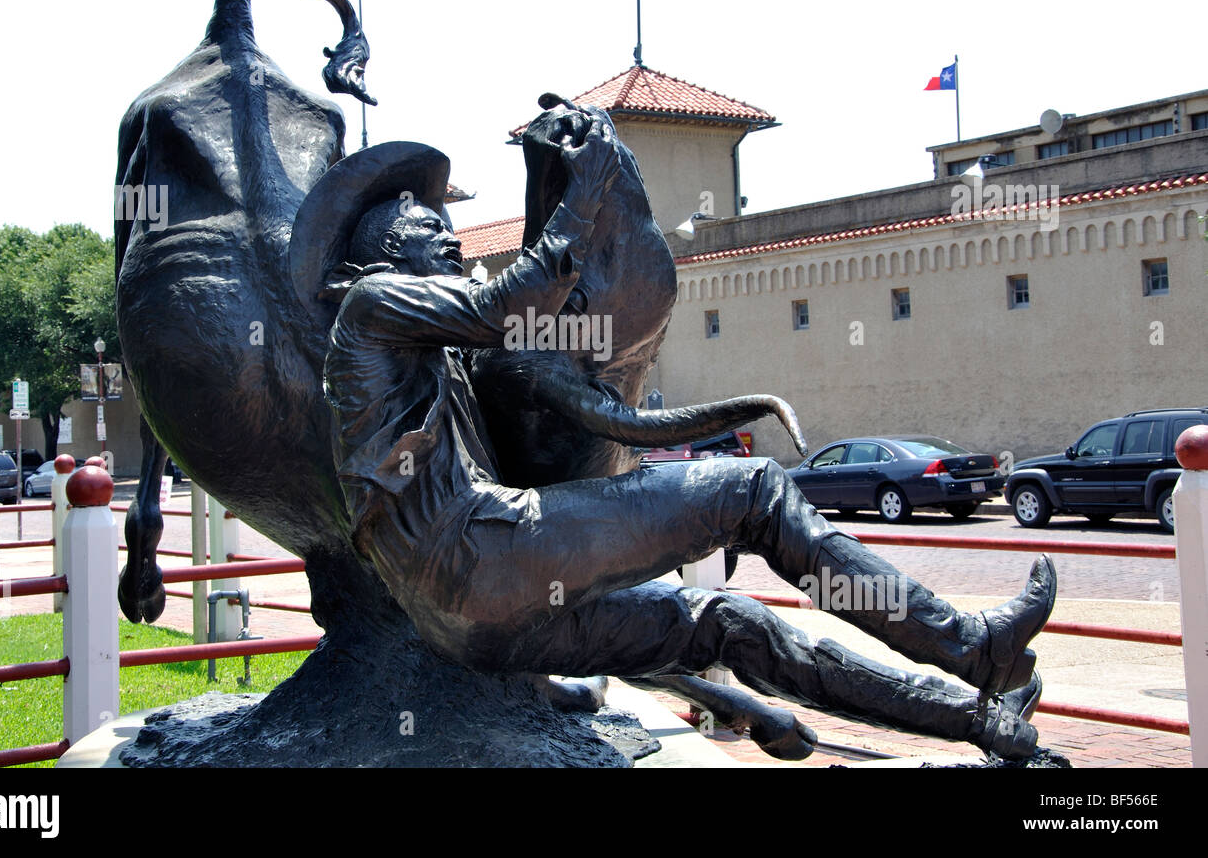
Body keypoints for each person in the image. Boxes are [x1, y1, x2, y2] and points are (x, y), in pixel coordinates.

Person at [322, 122, 1057, 760]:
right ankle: (969, 643)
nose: (452, 242)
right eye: (432, 238)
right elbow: (508, 302)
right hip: (480, 556)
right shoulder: (373, 303)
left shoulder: (421, 348)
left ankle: (982, 717)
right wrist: (588, 186)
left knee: (729, 625)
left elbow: (507, 330)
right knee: (752, 489)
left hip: (472, 626)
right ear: (387, 254)